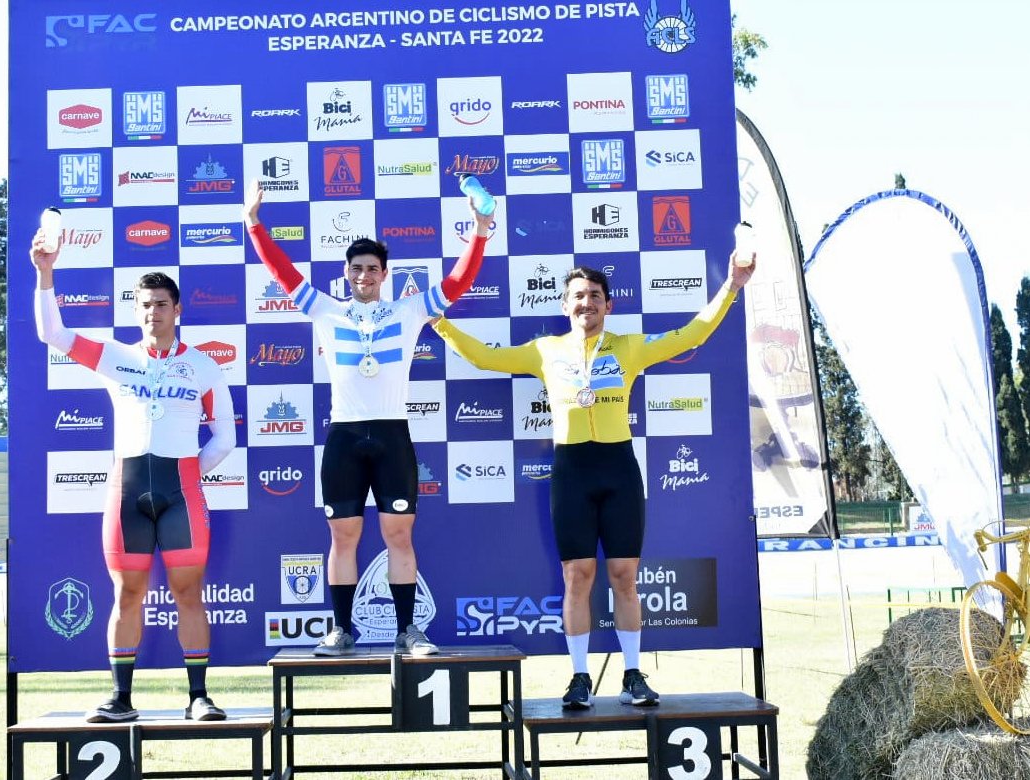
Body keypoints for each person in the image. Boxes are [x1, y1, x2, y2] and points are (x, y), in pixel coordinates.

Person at [432, 252, 755, 707]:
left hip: (618, 468)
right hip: (572, 471)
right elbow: (485, 357)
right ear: (565, 305)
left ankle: (632, 674)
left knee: (624, 577)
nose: (587, 303)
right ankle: (579, 677)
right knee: (577, 576)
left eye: (595, 296)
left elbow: (693, 333)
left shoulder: (630, 347)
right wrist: (438, 321)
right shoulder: (545, 350)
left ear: (608, 305)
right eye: (579, 296)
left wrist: (732, 286)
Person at [244, 180, 492, 656]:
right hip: (344, 437)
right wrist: (254, 223)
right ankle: (341, 630)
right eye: (356, 268)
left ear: (384, 274)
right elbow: (282, 273)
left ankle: (408, 631)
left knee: (399, 535)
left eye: (372, 269)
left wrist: (480, 231)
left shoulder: (409, 310)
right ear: (346, 273)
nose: (364, 276)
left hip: (392, 435)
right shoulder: (325, 310)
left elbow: (458, 282)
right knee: (343, 536)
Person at [31, 232, 236, 723]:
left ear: (177, 309)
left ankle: (199, 697)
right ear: (136, 310)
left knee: (189, 594)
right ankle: (120, 698)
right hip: (126, 494)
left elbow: (225, 438)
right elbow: (52, 334)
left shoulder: (203, 366)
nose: (152, 313)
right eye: (145, 305)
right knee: (126, 595)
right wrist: (45, 273)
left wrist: (189, 475)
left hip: (181, 496)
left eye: (161, 304)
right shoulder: (115, 357)